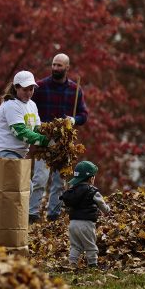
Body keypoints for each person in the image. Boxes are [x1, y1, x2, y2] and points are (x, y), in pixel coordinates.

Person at [30, 53, 89, 223]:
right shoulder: (40, 87)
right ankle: (32, 214)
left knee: (59, 181)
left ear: (67, 68)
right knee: (40, 178)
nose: (55, 68)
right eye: (54, 65)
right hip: (44, 139)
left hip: (64, 143)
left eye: (59, 66)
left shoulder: (75, 90)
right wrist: (36, 124)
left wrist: (74, 120)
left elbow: (84, 115)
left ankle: (53, 215)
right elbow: (28, 107)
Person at [0, 70, 51, 159]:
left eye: (31, 89)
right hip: (2, 151)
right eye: (25, 89)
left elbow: (37, 129)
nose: (28, 93)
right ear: (16, 88)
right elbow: (20, 132)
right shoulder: (11, 105)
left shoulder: (32, 105)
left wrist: (52, 135)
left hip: (19, 153)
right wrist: (46, 141)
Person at [60, 160, 110, 269]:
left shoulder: (72, 191)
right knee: (90, 245)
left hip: (73, 224)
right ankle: (93, 265)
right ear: (91, 178)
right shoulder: (92, 191)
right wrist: (107, 210)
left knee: (75, 246)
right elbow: (102, 204)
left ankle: (72, 263)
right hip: (86, 224)